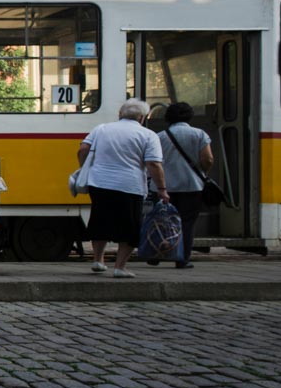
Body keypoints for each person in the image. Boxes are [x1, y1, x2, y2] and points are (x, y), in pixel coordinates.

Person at [78, 97, 168, 278]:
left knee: (100, 220)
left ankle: (98, 260)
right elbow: (153, 164)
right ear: (142, 117)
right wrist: (162, 189)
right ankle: (120, 267)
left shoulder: (101, 129)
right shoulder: (148, 135)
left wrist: (85, 169)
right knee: (130, 226)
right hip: (130, 185)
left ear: (120, 114)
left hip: (99, 182)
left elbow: (83, 150)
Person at [155, 101, 214, 269]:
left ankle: (156, 252)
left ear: (168, 117)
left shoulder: (160, 136)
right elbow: (208, 159)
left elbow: (154, 161)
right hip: (191, 186)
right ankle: (182, 259)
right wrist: (204, 172)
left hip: (165, 187)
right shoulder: (199, 134)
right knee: (187, 223)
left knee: (162, 221)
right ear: (189, 116)